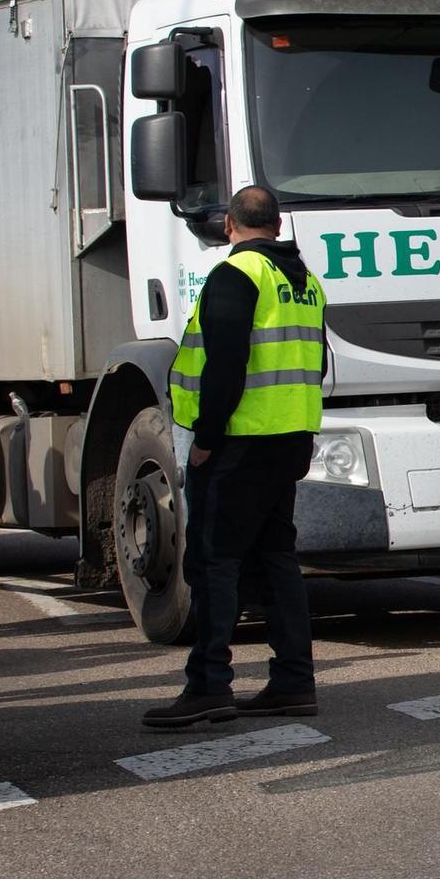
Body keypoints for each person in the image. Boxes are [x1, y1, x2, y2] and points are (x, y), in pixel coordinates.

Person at [144, 186, 327, 728]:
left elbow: (225, 364)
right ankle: (294, 683)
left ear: (229, 225)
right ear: (277, 224)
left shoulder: (236, 274)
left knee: (213, 562)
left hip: (238, 442)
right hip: (289, 436)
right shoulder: (304, 282)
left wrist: (206, 436)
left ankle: (209, 685)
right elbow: (315, 364)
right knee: (275, 561)